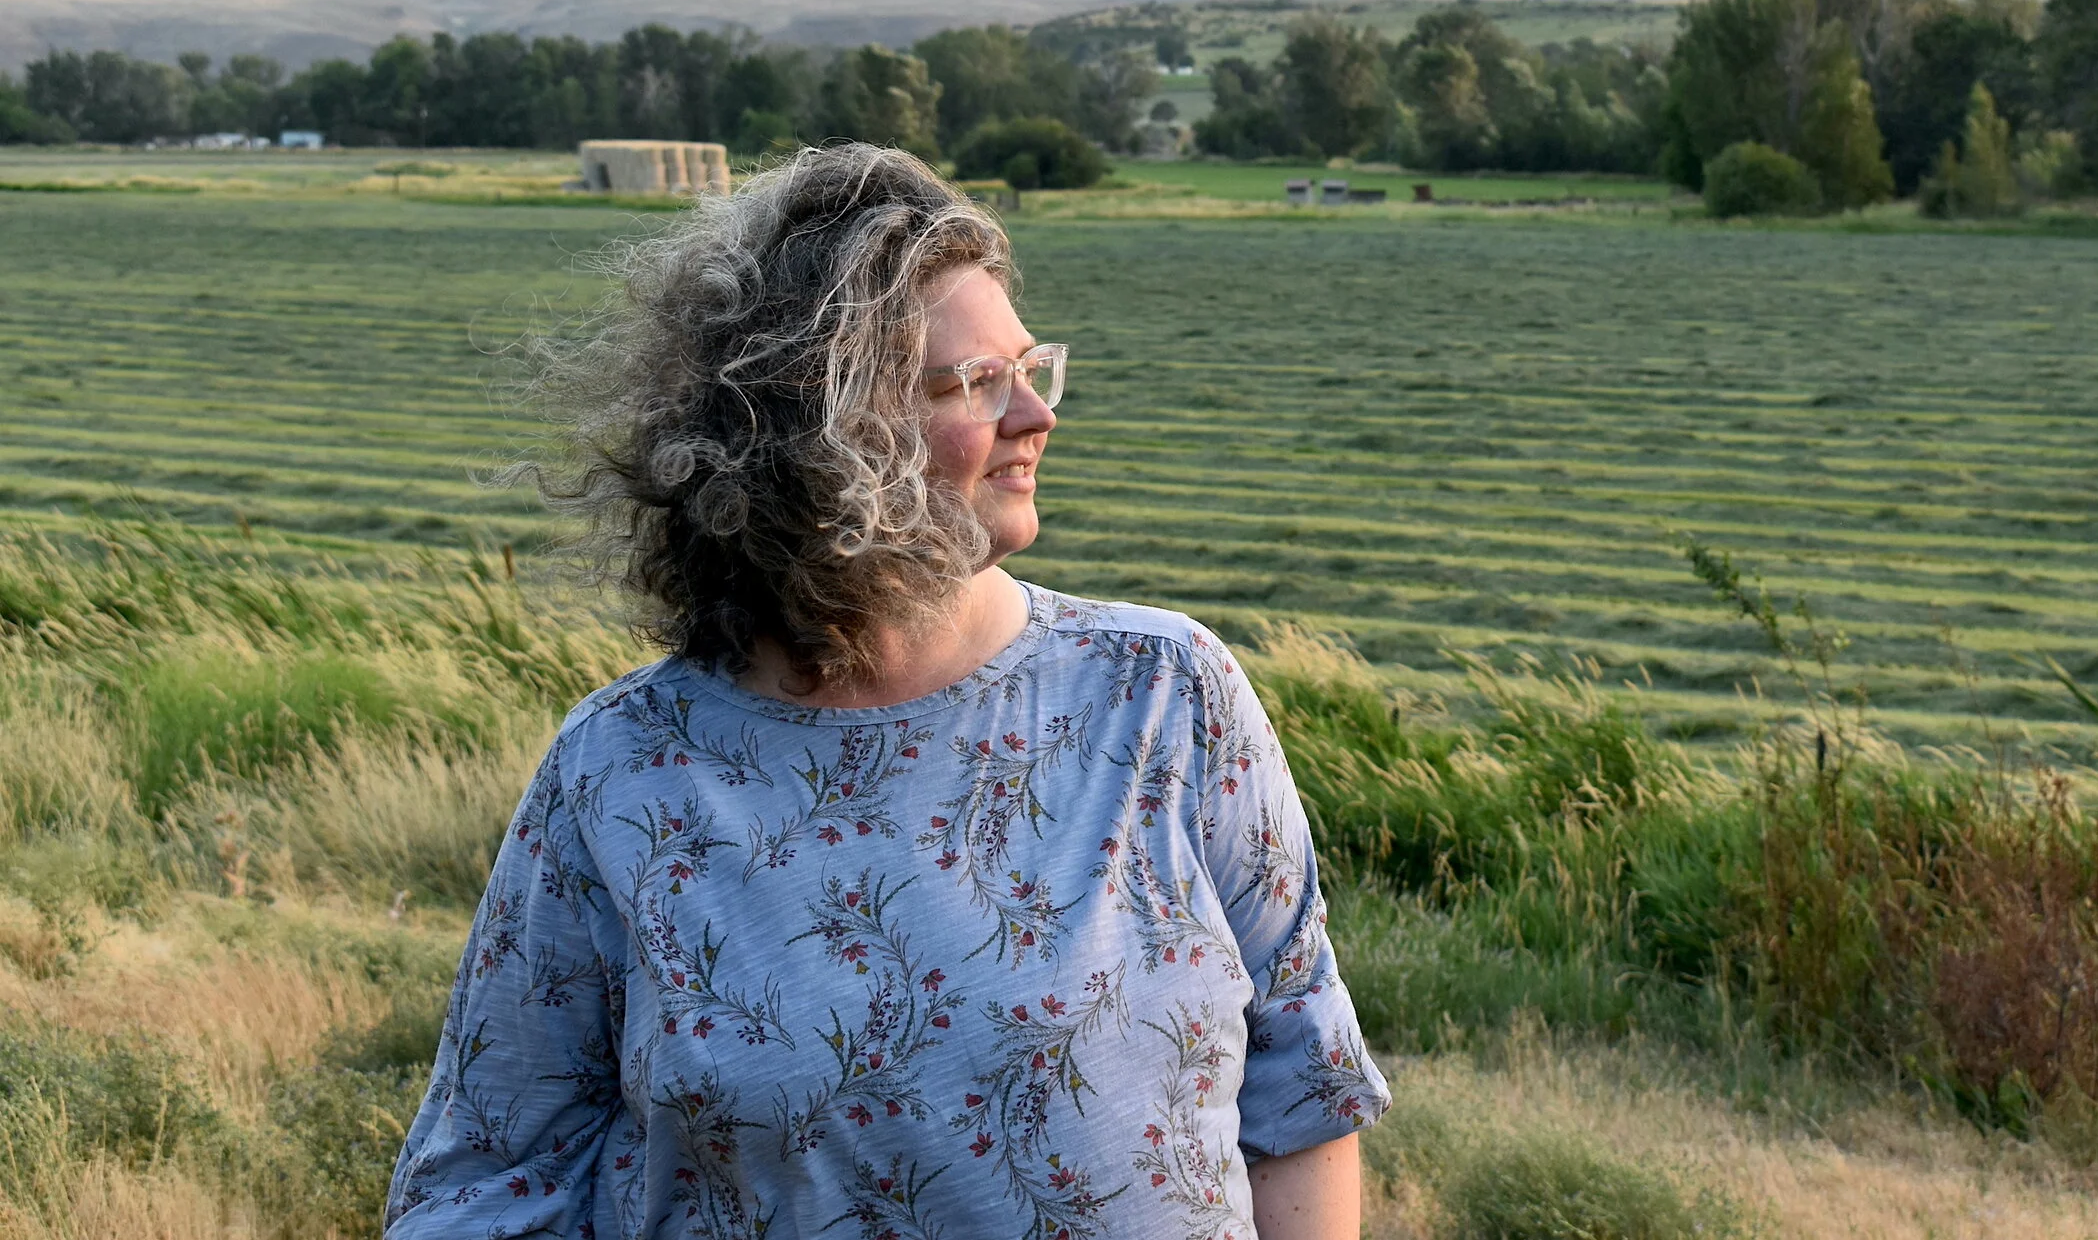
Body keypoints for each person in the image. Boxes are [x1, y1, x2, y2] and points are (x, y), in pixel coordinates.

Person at [385, 144, 1390, 1240]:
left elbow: (1302, 1091)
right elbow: (483, 1184)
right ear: (819, 433)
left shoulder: (1165, 695)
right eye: (975, 383)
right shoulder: (625, 772)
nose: (1036, 416)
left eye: (1032, 367)